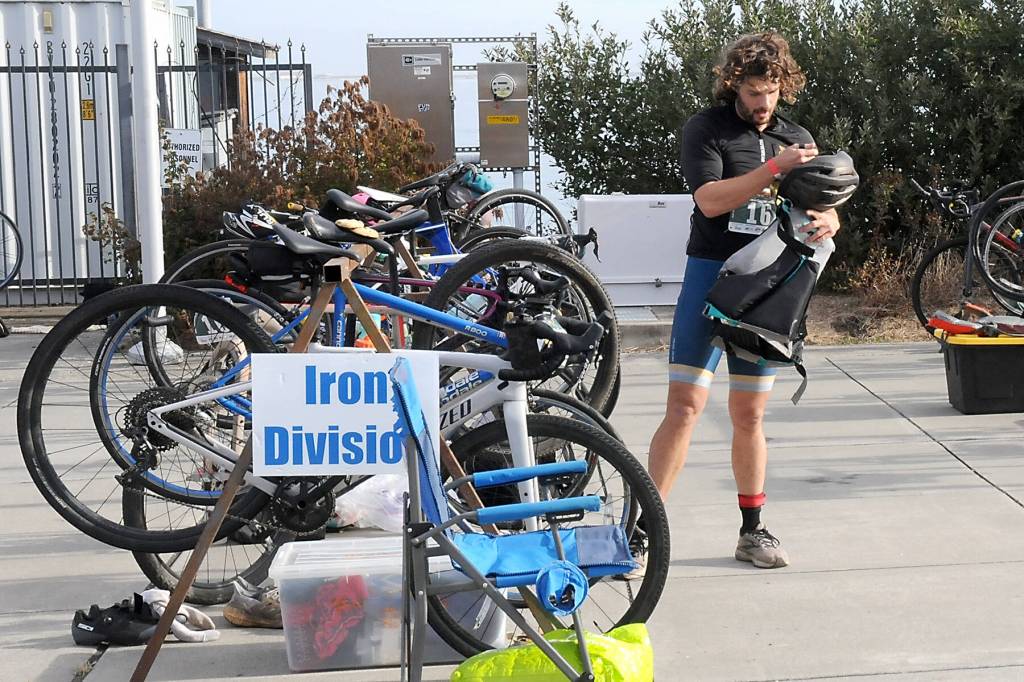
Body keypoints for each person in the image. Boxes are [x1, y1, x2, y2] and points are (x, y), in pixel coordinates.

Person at [646, 32, 842, 570]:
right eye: (754, 92)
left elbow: (821, 207)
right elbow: (710, 201)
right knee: (685, 407)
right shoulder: (707, 129)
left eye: (772, 92)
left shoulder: (796, 137)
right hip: (711, 277)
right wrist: (774, 170)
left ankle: (752, 532)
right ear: (734, 85)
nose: (763, 103)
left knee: (749, 414)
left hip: (767, 285)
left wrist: (830, 219)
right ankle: (643, 531)